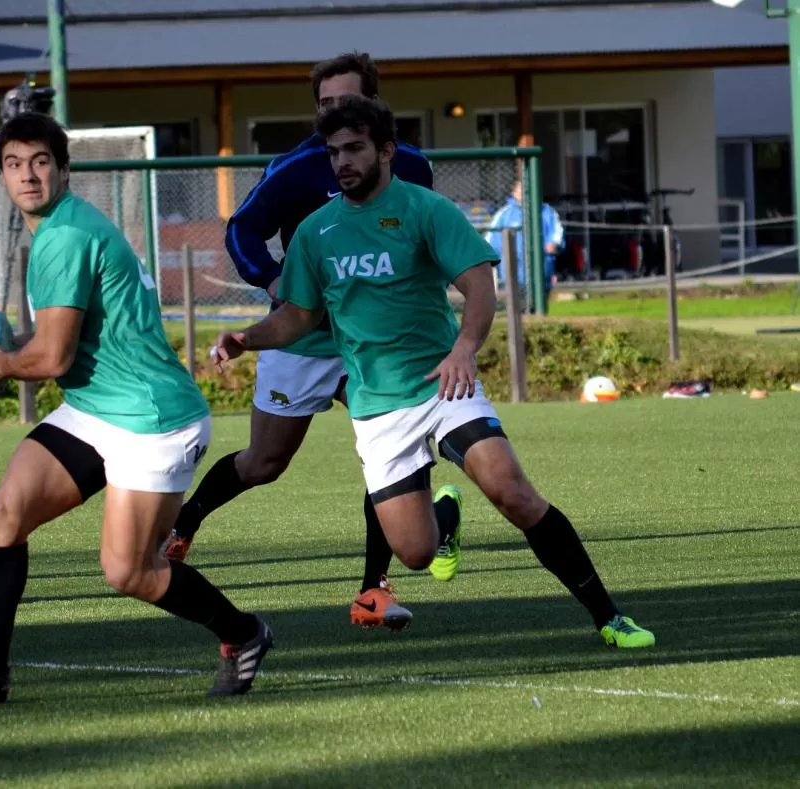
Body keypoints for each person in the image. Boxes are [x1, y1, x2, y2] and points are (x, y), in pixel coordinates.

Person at [212, 95, 656, 650]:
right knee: (416, 553)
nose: (342, 161)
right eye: (333, 152)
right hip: (377, 407)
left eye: (354, 148)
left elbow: (478, 285)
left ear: (386, 151)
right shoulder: (316, 232)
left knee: (513, 493)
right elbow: (299, 316)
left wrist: (465, 347)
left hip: (443, 384)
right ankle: (444, 511)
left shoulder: (424, 208)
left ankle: (610, 617)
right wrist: (248, 339)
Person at [0, 113, 273, 705]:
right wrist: (1, 357)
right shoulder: (56, 229)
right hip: (94, 407)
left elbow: (52, 357)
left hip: (151, 419)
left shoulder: (66, 236)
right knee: (5, 511)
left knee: (128, 571)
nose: (27, 175)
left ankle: (244, 633)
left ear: (63, 170)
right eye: (13, 164)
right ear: (1, 177)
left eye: (39, 162)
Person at [161, 52, 442, 632]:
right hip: (302, 340)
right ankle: (182, 524)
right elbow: (241, 228)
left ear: (375, 107)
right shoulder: (296, 167)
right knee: (264, 462)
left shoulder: (413, 167)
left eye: (346, 101)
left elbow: (428, 246)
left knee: (385, 459)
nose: (333, 113)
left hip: (374, 344)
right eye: (324, 104)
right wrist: (272, 281)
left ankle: (372, 591)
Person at [485, 180, 564, 310]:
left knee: (539, 308)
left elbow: (557, 234)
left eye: (527, 190)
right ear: (514, 192)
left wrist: (554, 244)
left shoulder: (547, 211)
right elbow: (490, 240)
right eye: (520, 190)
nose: (524, 193)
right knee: (517, 309)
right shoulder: (504, 214)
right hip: (513, 274)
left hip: (542, 271)